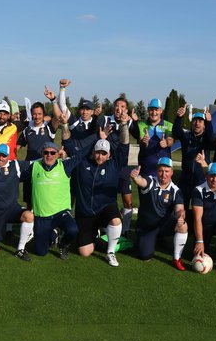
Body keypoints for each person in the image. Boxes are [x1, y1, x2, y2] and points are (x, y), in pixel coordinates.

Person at [20, 112, 92, 259]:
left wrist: (99, 137)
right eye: (46, 152)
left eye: (52, 153)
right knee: (41, 252)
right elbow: (14, 172)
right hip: (42, 216)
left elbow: (81, 154)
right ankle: (53, 234)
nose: (49, 155)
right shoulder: (34, 167)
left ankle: (63, 244)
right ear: (42, 153)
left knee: (72, 230)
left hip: (61, 213)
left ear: (57, 154)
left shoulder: (65, 165)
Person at [67, 110, 131, 267]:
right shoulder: (83, 163)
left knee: (116, 221)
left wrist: (123, 125)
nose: (100, 156)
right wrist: (64, 125)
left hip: (105, 209)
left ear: (109, 155)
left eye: (104, 153)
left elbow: (124, 145)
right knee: (84, 252)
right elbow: (69, 145)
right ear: (93, 152)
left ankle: (110, 252)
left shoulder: (114, 165)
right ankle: (101, 238)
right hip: (85, 213)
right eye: (97, 152)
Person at [130, 158, 188, 271]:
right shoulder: (151, 181)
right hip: (147, 227)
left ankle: (176, 258)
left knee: (183, 225)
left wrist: (180, 216)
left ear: (172, 172)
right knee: (144, 255)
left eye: (167, 171)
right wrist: (135, 177)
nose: (163, 174)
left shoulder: (176, 190)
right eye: (161, 171)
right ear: (157, 171)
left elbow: (180, 209)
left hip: (163, 225)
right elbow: (141, 181)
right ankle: (148, 238)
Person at [17, 87, 60, 209]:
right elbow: (17, 147)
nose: (37, 116)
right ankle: (30, 225)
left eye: (39, 114)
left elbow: (57, 117)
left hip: (46, 168)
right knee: (29, 199)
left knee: (46, 198)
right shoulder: (27, 130)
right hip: (30, 168)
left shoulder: (49, 128)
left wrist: (53, 100)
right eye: (34, 114)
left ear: (43, 115)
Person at [99, 96, 136, 236]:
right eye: (117, 106)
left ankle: (125, 229)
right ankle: (104, 227)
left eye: (122, 107)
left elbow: (138, 134)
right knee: (107, 199)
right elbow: (96, 130)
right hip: (107, 167)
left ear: (126, 110)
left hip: (123, 167)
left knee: (128, 201)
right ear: (114, 107)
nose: (119, 109)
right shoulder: (106, 120)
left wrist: (134, 121)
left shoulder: (129, 121)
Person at [173, 105, 214, 211]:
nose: (197, 123)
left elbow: (211, 138)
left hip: (201, 180)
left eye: (200, 121)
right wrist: (179, 117)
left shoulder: (206, 138)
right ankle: (181, 227)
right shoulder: (187, 136)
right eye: (195, 120)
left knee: (199, 210)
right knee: (181, 209)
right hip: (185, 180)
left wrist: (209, 122)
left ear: (204, 125)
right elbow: (176, 132)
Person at [130, 98, 174, 177]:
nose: (154, 112)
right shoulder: (141, 124)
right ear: (147, 110)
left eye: (156, 110)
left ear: (161, 110)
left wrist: (167, 142)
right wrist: (144, 142)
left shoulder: (169, 125)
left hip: (163, 172)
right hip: (145, 170)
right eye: (151, 110)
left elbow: (171, 140)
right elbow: (141, 141)